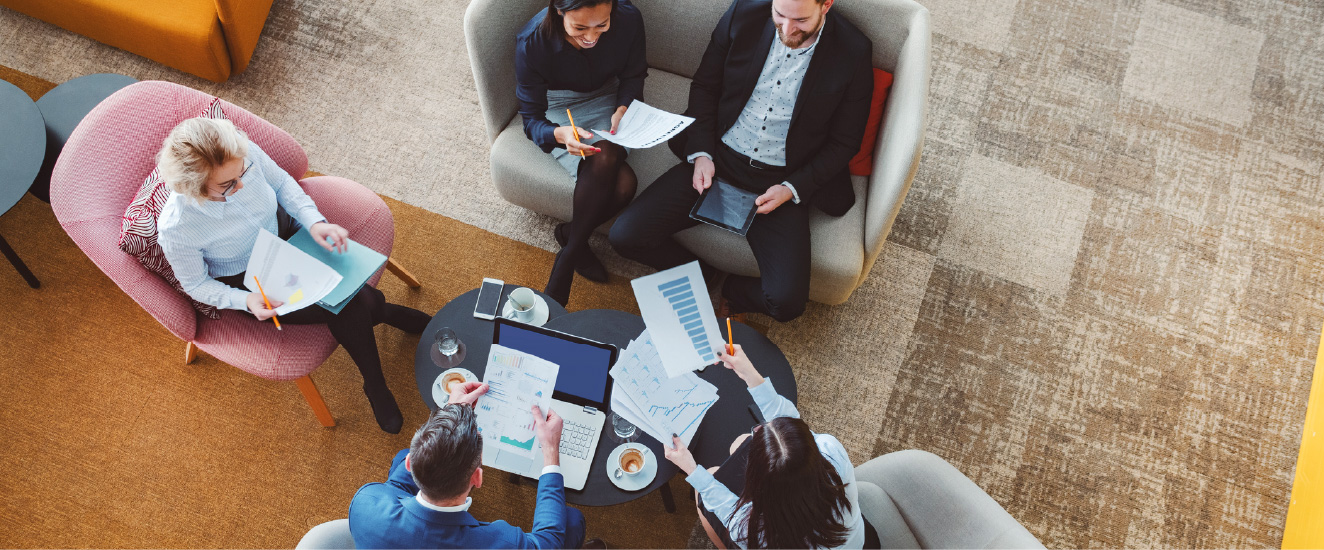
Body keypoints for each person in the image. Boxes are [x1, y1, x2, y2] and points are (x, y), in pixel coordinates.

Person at [154, 117, 431, 434]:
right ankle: (376, 378)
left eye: (242, 171)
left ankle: (382, 314)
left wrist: (313, 222)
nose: (241, 185)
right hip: (249, 275)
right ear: (195, 188)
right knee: (350, 304)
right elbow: (195, 284)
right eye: (227, 185)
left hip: (286, 233)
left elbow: (283, 184)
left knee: (350, 298)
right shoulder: (178, 228)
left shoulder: (239, 153)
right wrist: (245, 300)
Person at [609, 0, 873, 322]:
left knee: (787, 304)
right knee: (624, 236)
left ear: (826, 5)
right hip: (719, 157)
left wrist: (792, 189)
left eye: (801, 20)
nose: (788, 30)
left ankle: (734, 290)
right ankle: (702, 273)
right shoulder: (742, 13)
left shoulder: (854, 51)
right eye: (780, 15)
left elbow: (845, 142)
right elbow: (706, 86)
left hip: (783, 179)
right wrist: (702, 153)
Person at [348, 381, 601, 549]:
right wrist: (550, 450)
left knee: (401, 456)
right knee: (572, 520)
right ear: (477, 479)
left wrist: (451, 414)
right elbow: (547, 542)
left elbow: (395, 485)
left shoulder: (365, 502)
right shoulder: (501, 542)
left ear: (410, 464)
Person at [663, 345, 870, 549]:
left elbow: (720, 503)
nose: (758, 428)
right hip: (857, 543)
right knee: (740, 442)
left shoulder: (753, 531)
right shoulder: (831, 450)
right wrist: (749, 374)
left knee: (706, 489)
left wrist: (690, 467)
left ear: (758, 487)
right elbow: (789, 421)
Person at [515, 0, 648, 306]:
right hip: (560, 105)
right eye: (579, 27)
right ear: (558, 11)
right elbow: (532, 119)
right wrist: (558, 134)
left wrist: (625, 106)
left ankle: (569, 246)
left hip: (608, 95)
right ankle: (571, 252)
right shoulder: (532, 42)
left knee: (622, 180)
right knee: (623, 182)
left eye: (602, 25)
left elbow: (634, 75)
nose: (591, 37)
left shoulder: (629, 18)